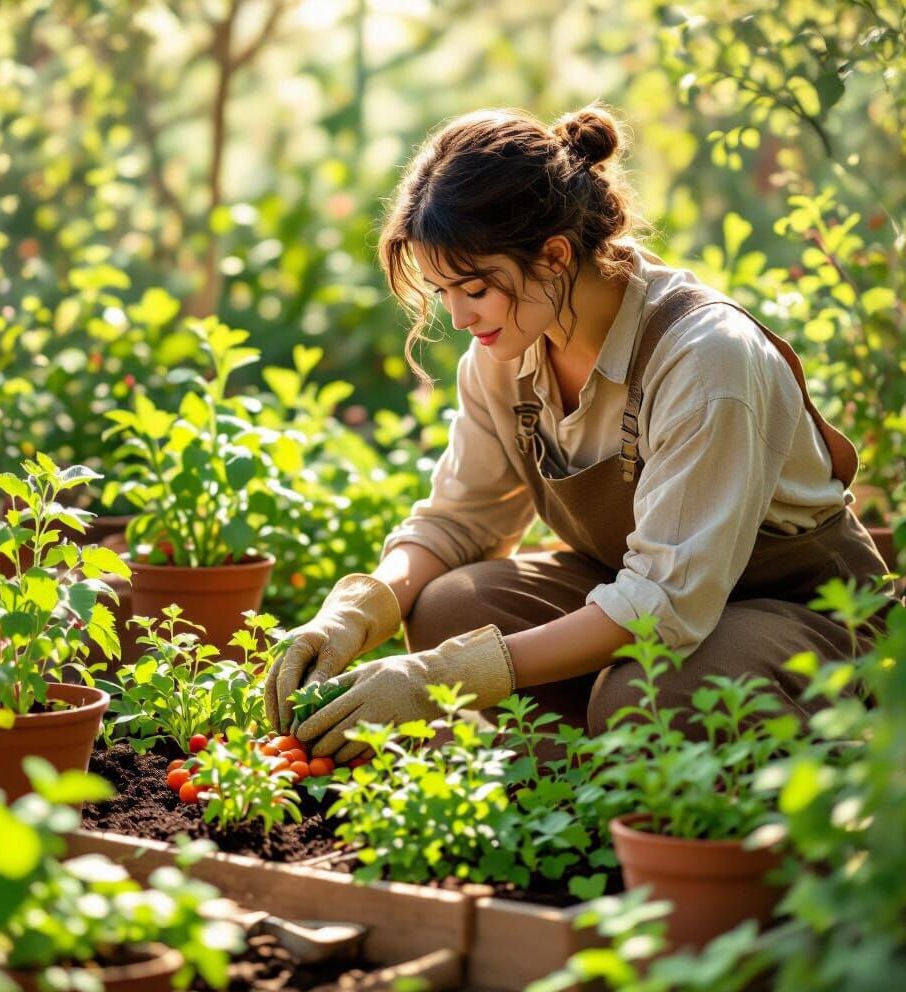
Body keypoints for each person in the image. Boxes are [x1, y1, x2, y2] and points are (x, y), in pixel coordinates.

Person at [264, 104, 895, 764]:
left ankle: (735, 773)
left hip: (808, 617)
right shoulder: (505, 352)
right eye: (442, 289)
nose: (455, 314)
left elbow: (664, 603)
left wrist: (439, 678)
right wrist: (357, 612)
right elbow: (458, 523)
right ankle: (585, 791)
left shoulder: (705, 359)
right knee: (448, 607)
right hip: (655, 595)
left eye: (474, 286)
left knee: (651, 696)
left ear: (555, 255)